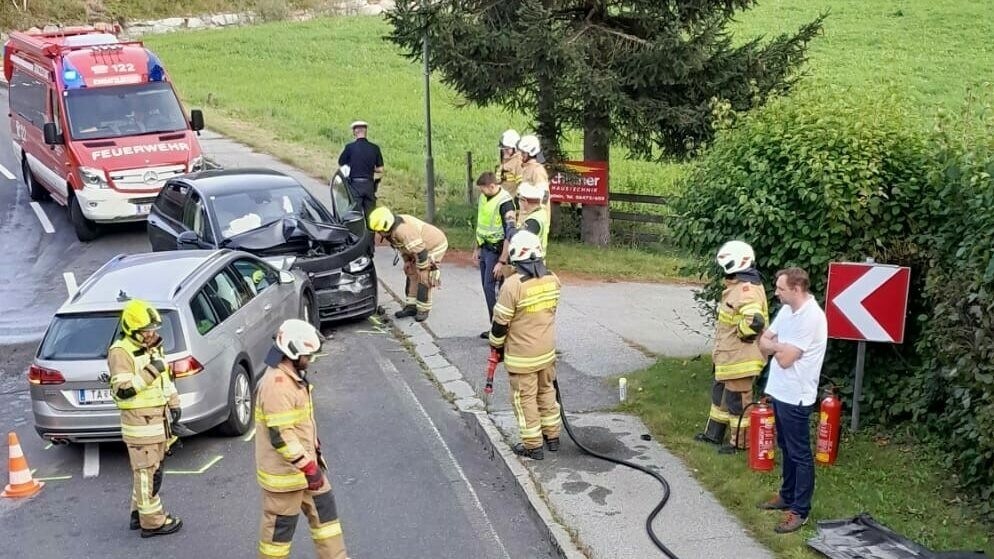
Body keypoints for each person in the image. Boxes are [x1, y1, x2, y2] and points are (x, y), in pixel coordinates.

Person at [255, 319, 349, 559]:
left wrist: (313, 457)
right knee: (277, 538)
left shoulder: (291, 376)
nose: (310, 359)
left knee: (326, 517)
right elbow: (282, 437)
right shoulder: (276, 385)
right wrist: (309, 468)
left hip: (307, 471)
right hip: (286, 478)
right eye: (307, 354)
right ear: (293, 352)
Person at [757, 267, 827, 534]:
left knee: (800, 453)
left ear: (797, 289)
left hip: (797, 395)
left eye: (781, 289)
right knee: (785, 446)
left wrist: (775, 347)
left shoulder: (811, 318)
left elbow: (785, 360)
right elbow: (764, 342)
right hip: (779, 390)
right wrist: (778, 346)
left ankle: (800, 510)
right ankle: (786, 495)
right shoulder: (787, 311)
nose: (776, 293)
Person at [108, 299, 183, 538]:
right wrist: (152, 370)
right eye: (146, 330)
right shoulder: (120, 352)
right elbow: (123, 390)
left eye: (153, 329)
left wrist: (174, 402)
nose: (151, 334)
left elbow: (165, 380)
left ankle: (137, 514)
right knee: (146, 472)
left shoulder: (153, 346)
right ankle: (152, 522)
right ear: (132, 330)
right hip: (139, 424)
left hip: (157, 420)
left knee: (151, 470)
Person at [489, 231, 562, 460]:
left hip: (522, 358)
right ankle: (553, 437)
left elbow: (500, 325)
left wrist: (496, 346)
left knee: (524, 399)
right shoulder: (553, 279)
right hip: (546, 352)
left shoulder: (512, 286)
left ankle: (533, 445)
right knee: (547, 391)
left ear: (514, 256)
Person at [695, 240, 769, 453]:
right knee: (720, 396)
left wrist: (740, 333)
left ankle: (740, 444)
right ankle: (714, 434)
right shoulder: (737, 286)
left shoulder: (747, 289)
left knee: (737, 402)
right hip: (728, 357)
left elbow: (754, 321)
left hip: (741, 358)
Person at [367, 206, 448, 322]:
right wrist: (407, 261)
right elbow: (404, 248)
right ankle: (411, 306)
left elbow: (421, 252)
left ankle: (423, 309)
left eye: (379, 231)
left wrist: (422, 267)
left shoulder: (403, 231)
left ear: (386, 226)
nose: (378, 234)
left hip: (433, 246)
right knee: (411, 271)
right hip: (419, 247)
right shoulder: (391, 231)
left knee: (424, 275)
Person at [472, 171, 517, 339]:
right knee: (487, 288)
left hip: (497, 251)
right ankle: (495, 326)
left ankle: (500, 328)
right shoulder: (485, 198)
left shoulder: (505, 203)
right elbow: (481, 223)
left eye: (483, 189)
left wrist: (502, 261)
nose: (481, 193)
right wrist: (476, 248)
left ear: (492, 186)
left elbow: (509, 234)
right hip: (484, 248)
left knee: (491, 288)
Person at [337, 120, 384, 218]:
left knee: (355, 216)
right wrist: (372, 168)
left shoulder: (349, 147)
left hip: (355, 186)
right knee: (371, 216)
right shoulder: (375, 148)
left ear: (355, 132)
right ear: (365, 131)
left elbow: (341, 163)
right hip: (369, 186)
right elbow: (381, 169)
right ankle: (371, 232)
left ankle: (357, 232)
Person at [516, 181, 549, 254]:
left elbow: (519, 241)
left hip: (529, 263)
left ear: (525, 201)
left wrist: (510, 224)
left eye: (520, 200)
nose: (519, 203)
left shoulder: (532, 221)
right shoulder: (541, 212)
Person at [497, 129, 523, 199]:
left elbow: (522, 185)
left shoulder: (518, 162)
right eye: (503, 149)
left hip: (512, 204)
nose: (504, 151)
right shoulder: (504, 162)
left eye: (507, 149)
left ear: (515, 148)